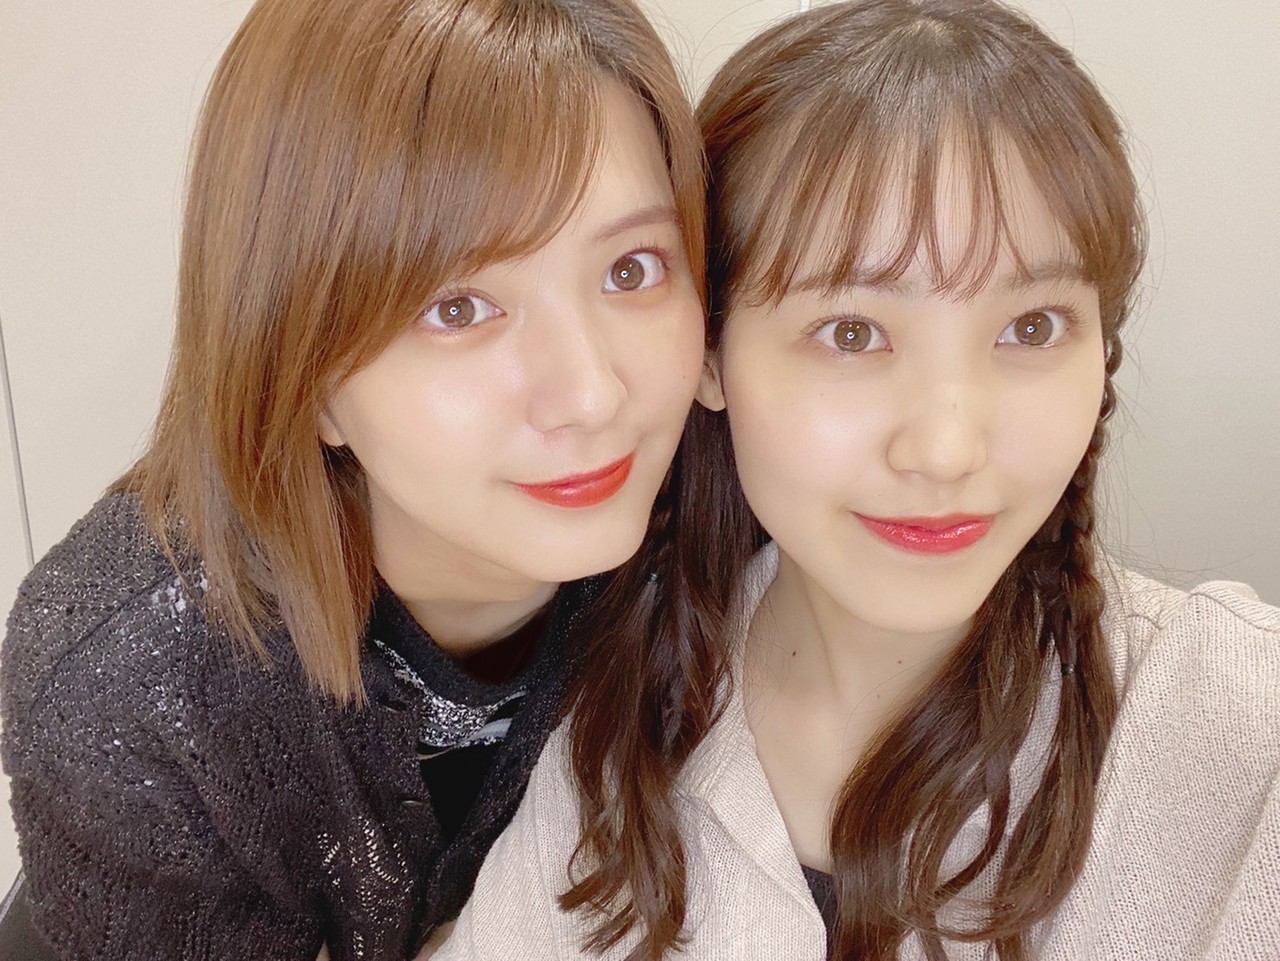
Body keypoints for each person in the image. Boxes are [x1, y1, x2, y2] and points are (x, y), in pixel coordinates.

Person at [431, 1, 1280, 958]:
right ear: (708, 351)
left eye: (1031, 328)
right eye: (852, 332)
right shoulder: (619, 716)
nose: (946, 448)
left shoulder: (1243, 737)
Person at [0, 0, 708, 957]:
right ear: (304, 371)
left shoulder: (720, 513)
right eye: (458, 307)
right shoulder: (134, 682)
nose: (591, 394)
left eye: (631, 269)